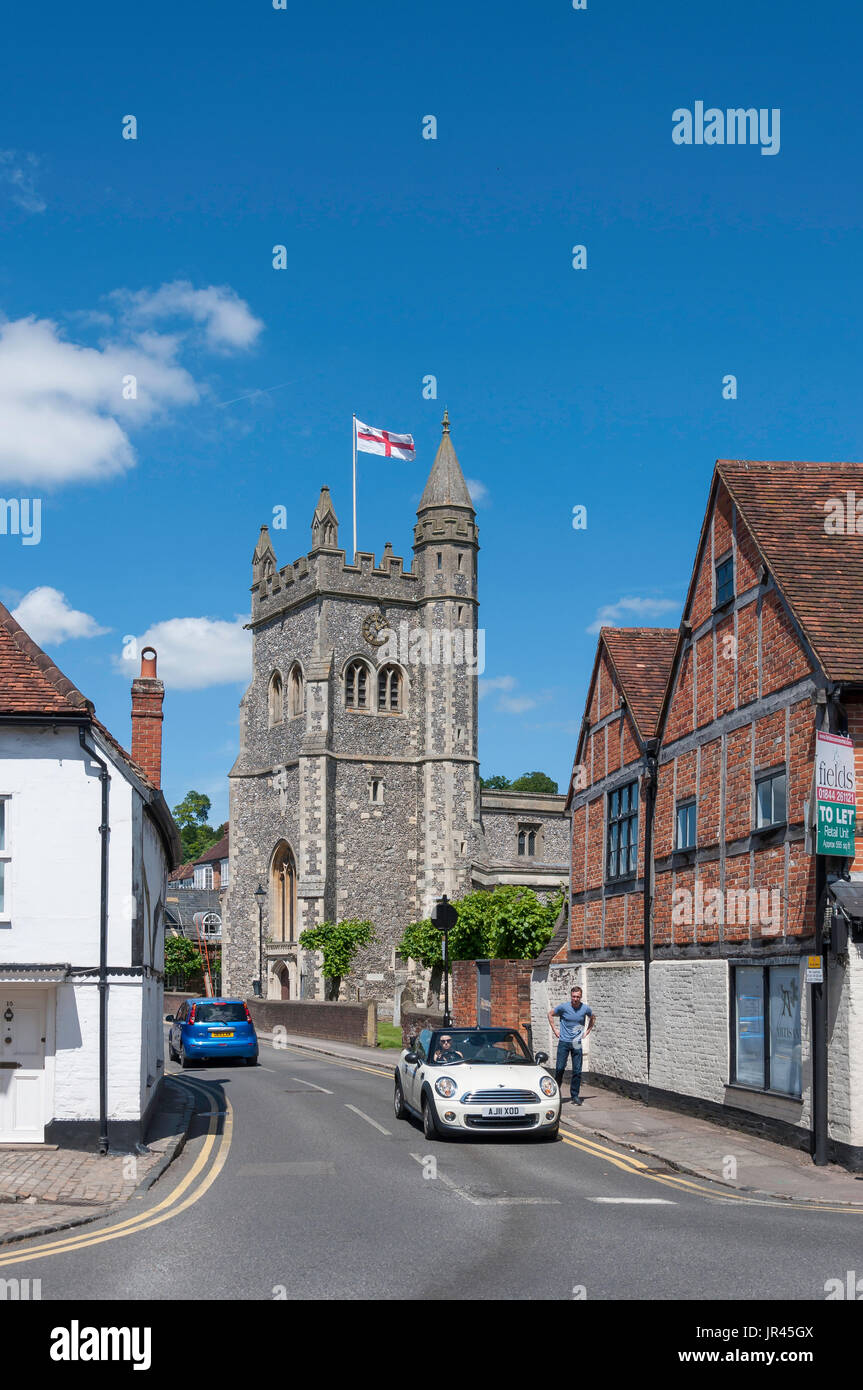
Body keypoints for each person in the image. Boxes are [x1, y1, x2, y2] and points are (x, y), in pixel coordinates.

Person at [548, 986, 595, 1104]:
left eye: (578, 997)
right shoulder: (564, 1007)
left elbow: (592, 1017)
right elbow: (550, 1014)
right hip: (563, 1042)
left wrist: (587, 1031)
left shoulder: (585, 1008)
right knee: (559, 1069)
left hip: (576, 1043)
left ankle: (575, 1096)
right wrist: (555, 1030)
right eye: (574, 996)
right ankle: (555, 1094)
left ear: (581, 997)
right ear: (571, 996)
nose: (575, 999)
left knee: (577, 1071)